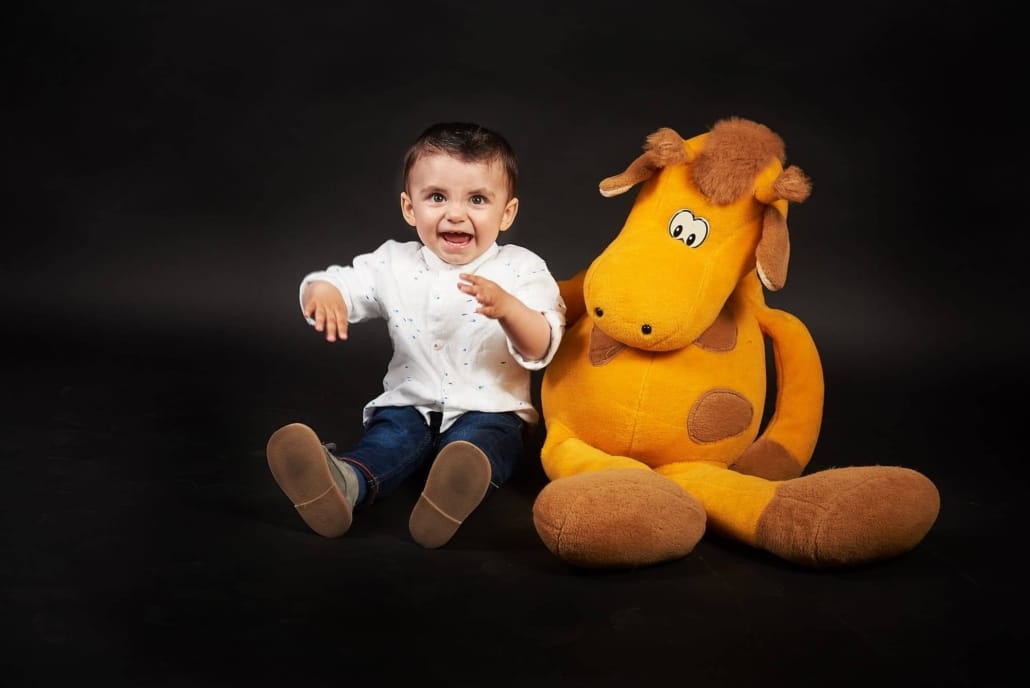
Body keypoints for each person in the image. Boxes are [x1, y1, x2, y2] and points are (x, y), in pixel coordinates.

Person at [266, 121, 566, 548]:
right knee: (389, 440)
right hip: (411, 403)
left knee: (481, 443)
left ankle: (453, 491)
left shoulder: (521, 269)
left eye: (477, 199)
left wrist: (509, 310)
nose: (456, 213)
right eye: (437, 197)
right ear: (410, 208)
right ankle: (345, 483)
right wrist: (323, 291)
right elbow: (343, 282)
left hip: (491, 409)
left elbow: (543, 345)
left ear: (507, 213)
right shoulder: (394, 262)